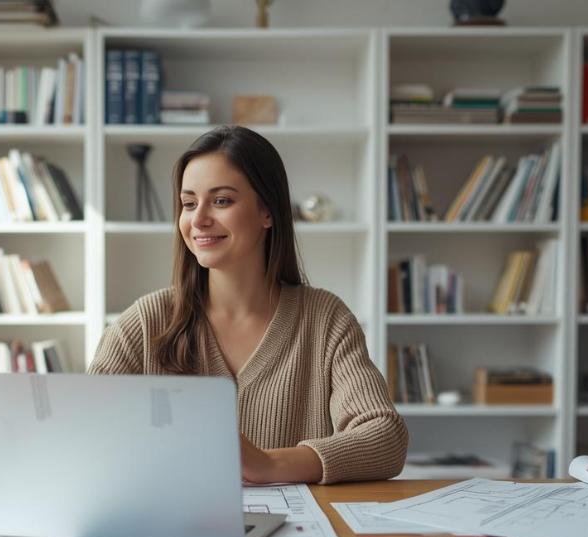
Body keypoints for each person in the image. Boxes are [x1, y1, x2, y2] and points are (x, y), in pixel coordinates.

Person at [88, 125, 407, 484]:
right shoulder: (144, 323)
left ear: (267, 212)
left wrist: (270, 465)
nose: (198, 219)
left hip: (299, 534)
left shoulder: (325, 319)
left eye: (221, 200)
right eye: (189, 203)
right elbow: (86, 439)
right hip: (174, 531)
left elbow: (385, 437)